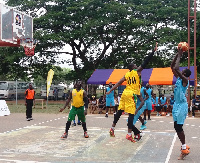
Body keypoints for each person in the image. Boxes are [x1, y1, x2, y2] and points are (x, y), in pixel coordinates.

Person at [107, 42, 157, 142]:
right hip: (131, 94)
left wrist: (110, 91)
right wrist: (153, 52)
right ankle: (129, 134)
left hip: (125, 93)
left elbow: (118, 83)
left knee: (120, 111)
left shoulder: (127, 74)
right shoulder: (136, 72)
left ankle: (112, 128)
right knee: (131, 115)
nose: (136, 65)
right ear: (133, 67)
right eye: (135, 65)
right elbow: (145, 62)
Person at [171, 48, 192, 159]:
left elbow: (176, 68)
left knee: (178, 127)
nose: (181, 71)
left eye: (182, 71)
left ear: (184, 74)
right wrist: (176, 55)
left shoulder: (185, 80)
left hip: (182, 105)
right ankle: (184, 146)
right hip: (176, 105)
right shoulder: (179, 78)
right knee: (176, 127)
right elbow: (172, 66)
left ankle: (184, 148)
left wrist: (180, 54)